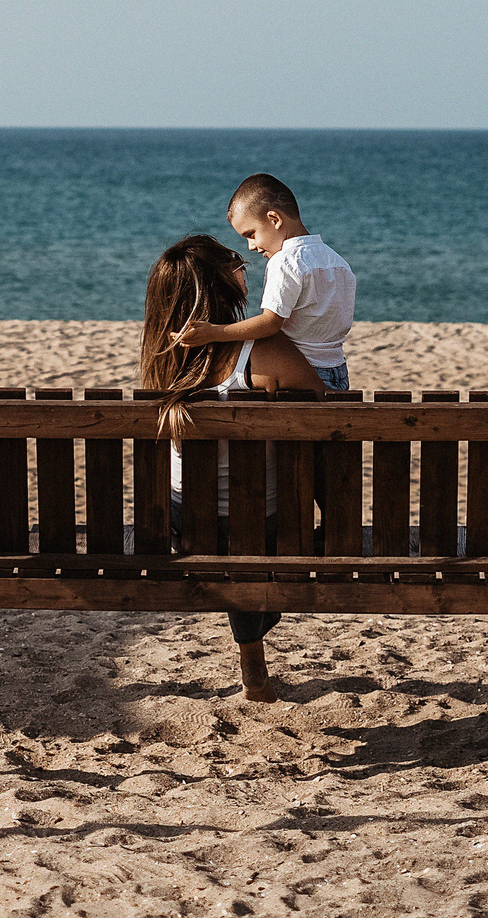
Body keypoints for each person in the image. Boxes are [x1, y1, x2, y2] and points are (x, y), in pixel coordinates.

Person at [139, 232, 318, 702]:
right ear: (220, 286)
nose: (248, 268)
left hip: (183, 524)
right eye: (237, 262)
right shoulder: (267, 354)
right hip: (264, 525)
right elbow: (327, 418)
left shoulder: (161, 361)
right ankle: (254, 649)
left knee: (242, 552)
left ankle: (252, 662)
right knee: (260, 549)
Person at [172, 173, 356, 392]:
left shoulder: (285, 261)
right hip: (338, 371)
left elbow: (270, 324)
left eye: (251, 234)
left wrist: (214, 332)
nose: (251, 246)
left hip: (300, 372)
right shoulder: (337, 261)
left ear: (274, 219)